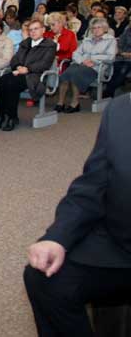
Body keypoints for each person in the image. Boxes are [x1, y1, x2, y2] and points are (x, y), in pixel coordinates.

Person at [23, 94, 131, 337]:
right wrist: (57, 237)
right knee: (46, 279)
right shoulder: (121, 109)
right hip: (119, 243)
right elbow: (93, 185)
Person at [0, 19, 56, 131]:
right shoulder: (25, 43)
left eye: (36, 29)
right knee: (1, 81)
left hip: (35, 76)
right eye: (30, 30)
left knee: (11, 84)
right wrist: (18, 66)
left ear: (43, 30)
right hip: (19, 72)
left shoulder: (50, 45)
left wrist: (27, 69)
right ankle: (0, 115)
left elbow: (45, 63)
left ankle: (11, 117)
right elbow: (15, 59)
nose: (33, 32)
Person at [55, 18, 116, 113]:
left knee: (75, 74)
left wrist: (93, 60)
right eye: (93, 28)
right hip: (82, 64)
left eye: (99, 27)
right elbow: (75, 53)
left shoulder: (110, 40)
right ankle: (60, 102)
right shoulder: (87, 40)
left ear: (105, 29)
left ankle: (75, 103)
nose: (96, 30)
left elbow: (110, 56)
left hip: (97, 67)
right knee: (65, 74)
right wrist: (83, 61)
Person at [104, 26, 131, 98]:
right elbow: (119, 44)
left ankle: (108, 93)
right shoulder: (127, 31)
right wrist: (122, 53)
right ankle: (109, 93)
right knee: (113, 71)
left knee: (122, 71)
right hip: (120, 57)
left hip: (129, 60)